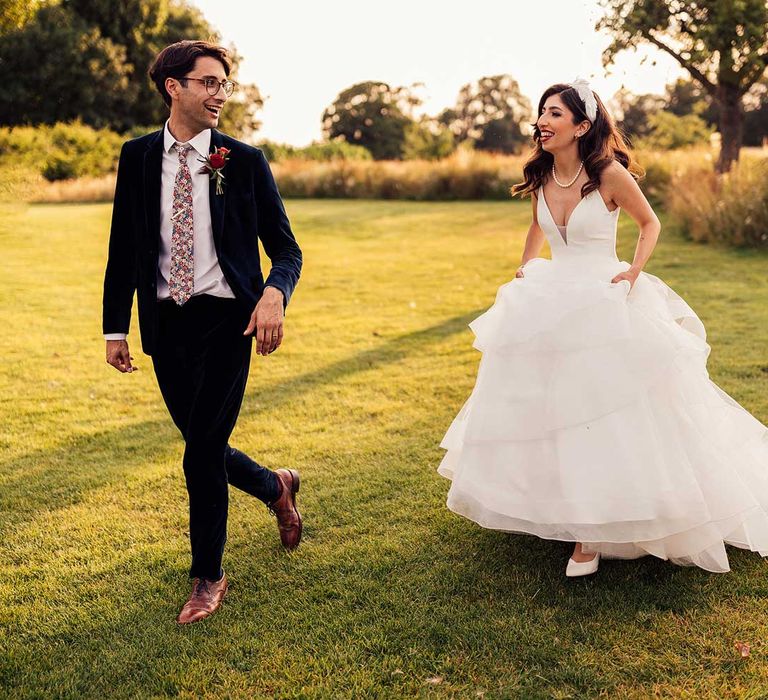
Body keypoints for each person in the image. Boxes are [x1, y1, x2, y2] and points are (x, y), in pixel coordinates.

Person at [438, 80, 768, 577]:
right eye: (541, 113)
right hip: (550, 299)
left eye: (555, 113)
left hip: (602, 297)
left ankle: (591, 534)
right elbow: (537, 226)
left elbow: (649, 223)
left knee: (601, 406)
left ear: (582, 125)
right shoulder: (544, 173)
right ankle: (560, 508)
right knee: (549, 408)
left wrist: (633, 271)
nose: (542, 122)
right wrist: (525, 266)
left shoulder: (609, 174)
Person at [103, 40, 303, 622]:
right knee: (202, 444)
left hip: (226, 322)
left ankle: (208, 578)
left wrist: (273, 294)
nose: (219, 94)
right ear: (174, 86)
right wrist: (116, 327)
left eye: (224, 84)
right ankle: (275, 486)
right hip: (165, 325)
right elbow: (123, 250)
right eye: (208, 82)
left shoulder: (244, 160)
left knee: (200, 455)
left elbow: (286, 251)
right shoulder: (136, 157)